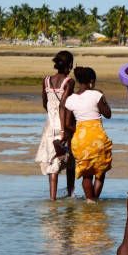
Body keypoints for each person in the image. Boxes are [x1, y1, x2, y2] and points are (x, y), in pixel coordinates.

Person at [64, 66, 112, 201]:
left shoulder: (70, 99)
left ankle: (90, 201)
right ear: (92, 81)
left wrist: (80, 132)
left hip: (79, 139)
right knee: (100, 172)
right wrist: (103, 100)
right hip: (97, 138)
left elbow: (67, 124)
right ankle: (95, 200)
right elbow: (108, 114)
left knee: (86, 174)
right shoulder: (97, 94)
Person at [35, 50, 75, 200]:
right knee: (69, 161)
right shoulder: (69, 82)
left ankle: (53, 200)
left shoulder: (46, 80)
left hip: (50, 125)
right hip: (64, 125)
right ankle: (71, 194)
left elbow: (45, 103)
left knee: (52, 164)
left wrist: (52, 115)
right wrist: (64, 129)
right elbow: (64, 105)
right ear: (69, 65)